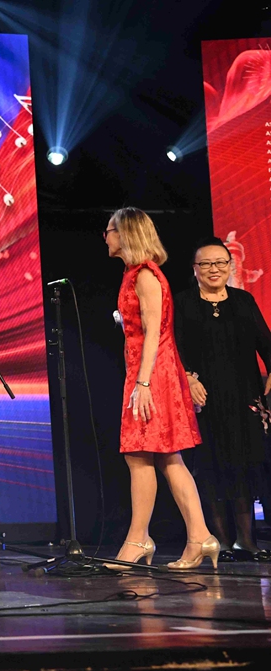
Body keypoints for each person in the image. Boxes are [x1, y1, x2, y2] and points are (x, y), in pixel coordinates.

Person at [101, 208, 218, 570]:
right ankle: (200, 537)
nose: (105, 236)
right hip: (149, 372)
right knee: (167, 457)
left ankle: (139, 538)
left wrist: (143, 383)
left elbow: (155, 332)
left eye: (109, 230)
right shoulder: (135, 274)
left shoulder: (146, 275)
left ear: (126, 234)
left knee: (139, 454)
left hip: (151, 375)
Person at [174, 240, 271, 562]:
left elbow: (266, 345)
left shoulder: (244, 301)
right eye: (206, 264)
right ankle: (219, 541)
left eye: (220, 263)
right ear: (195, 270)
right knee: (210, 468)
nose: (214, 269)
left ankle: (247, 541)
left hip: (244, 398)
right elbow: (171, 349)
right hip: (202, 400)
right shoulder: (184, 303)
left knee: (244, 466)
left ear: (231, 266)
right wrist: (187, 378)